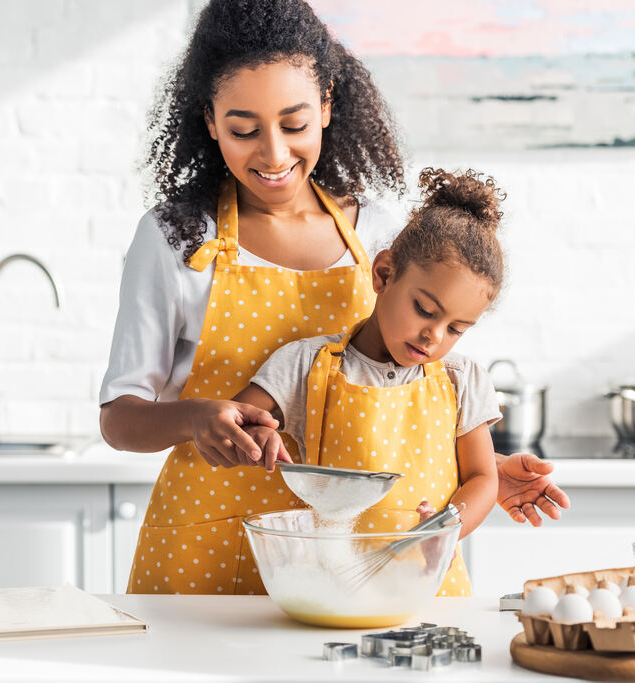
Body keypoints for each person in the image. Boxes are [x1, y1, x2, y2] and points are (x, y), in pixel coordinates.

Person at [99, 0, 569, 595]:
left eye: (294, 124)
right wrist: (196, 418)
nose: (273, 155)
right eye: (244, 129)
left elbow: (404, 393)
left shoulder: (376, 231)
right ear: (210, 120)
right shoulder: (176, 238)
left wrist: (480, 476)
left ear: (326, 107)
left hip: (356, 557)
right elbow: (120, 421)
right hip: (209, 547)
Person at [231, 167, 506, 596]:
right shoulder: (308, 364)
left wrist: (443, 529)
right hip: (334, 586)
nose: (434, 336)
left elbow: (483, 478)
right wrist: (253, 436)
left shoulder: (462, 379)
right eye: (425, 309)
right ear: (383, 274)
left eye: (457, 329)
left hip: (429, 586)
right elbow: (237, 422)